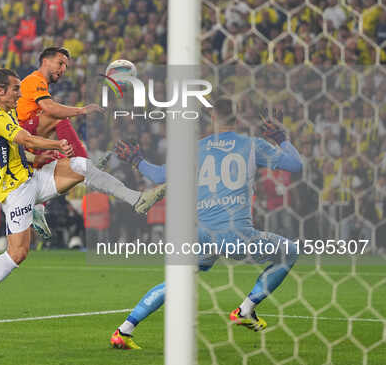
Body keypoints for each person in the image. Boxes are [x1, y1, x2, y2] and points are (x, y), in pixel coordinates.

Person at [0, 68, 165, 330]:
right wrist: (56, 146)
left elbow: (14, 151)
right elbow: (25, 138)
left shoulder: (8, 113)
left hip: (31, 178)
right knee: (18, 253)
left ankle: (136, 199)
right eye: (15, 89)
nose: (19, 94)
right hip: (15, 190)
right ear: (0, 92)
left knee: (80, 165)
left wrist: (36, 158)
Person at [109, 100, 303, 349]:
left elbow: (157, 176)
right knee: (290, 252)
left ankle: (124, 330)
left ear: (212, 118)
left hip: (202, 235)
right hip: (237, 234)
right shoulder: (254, 146)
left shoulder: (196, 149)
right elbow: (296, 165)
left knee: (175, 281)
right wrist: (281, 137)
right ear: (239, 119)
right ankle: (246, 310)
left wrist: (136, 159)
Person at [17, 47, 102, 161]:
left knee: (63, 164)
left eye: (65, 66)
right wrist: (82, 110)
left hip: (29, 139)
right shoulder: (35, 80)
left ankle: (76, 167)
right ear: (46, 62)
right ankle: (83, 162)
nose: (63, 69)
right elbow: (50, 108)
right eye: (60, 63)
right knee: (58, 117)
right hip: (21, 136)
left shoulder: (39, 82)